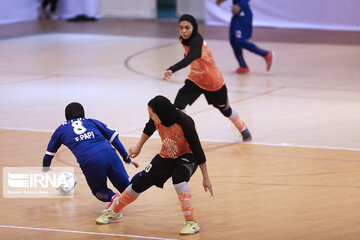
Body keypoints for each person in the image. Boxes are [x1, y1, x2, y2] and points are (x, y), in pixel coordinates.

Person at [96, 95, 213, 235]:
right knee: (140, 182)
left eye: (151, 114)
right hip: (166, 155)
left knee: (179, 180)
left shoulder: (185, 122)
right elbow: (148, 128)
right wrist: (138, 147)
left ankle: (191, 222)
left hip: (187, 156)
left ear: (161, 113)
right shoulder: (158, 119)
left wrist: (205, 177)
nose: (150, 117)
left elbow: (198, 150)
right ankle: (114, 212)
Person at [163, 14, 252, 141]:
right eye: (181, 27)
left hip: (213, 82)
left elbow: (192, 56)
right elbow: (188, 56)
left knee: (225, 109)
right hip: (195, 79)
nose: (184, 31)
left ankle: (243, 128)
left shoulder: (197, 40)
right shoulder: (182, 40)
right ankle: (190, 137)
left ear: (194, 27)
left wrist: (173, 68)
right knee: (178, 105)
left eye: (187, 27)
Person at [43, 102, 139, 210]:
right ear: (83, 113)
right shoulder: (92, 121)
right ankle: (146, 174)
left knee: (99, 191)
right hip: (110, 153)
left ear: (66, 117)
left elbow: (49, 155)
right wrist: (126, 157)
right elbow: (114, 139)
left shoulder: (60, 130)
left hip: (90, 160)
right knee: (127, 189)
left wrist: (46, 170)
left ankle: (113, 198)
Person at [216, 0, 273, 74]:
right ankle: (243, 66)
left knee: (240, 41)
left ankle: (266, 54)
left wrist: (240, 5)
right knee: (233, 40)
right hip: (236, 16)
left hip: (244, 16)